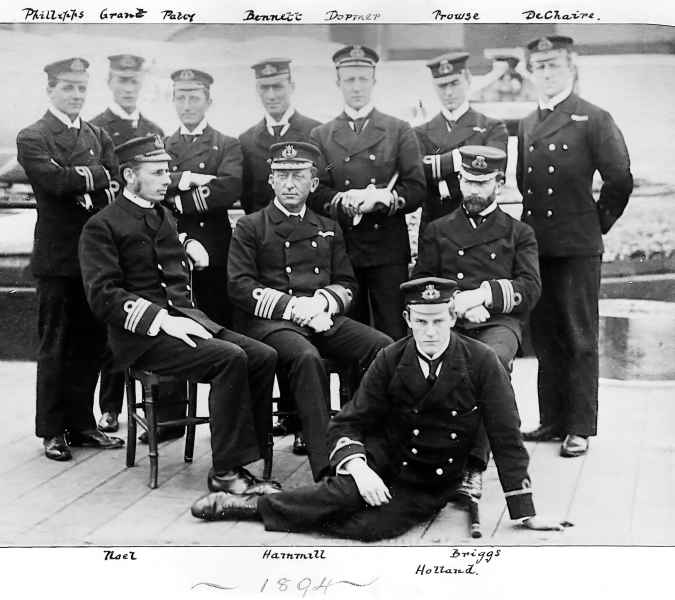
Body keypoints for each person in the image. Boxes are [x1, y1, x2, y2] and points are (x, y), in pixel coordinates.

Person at [190, 277, 564, 541]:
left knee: (371, 529)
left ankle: (277, 505)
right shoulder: (390, 358)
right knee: (344, 494)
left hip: (430, 477)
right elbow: (348, 423)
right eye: (421, 322)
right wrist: (360, 469)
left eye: (438, 321)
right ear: (408, 320)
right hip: (385, 458)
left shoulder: (482, 362)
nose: (430, 332)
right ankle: (247, 506)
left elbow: (506, 436)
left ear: (452, 318)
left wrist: (525, 511)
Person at [78, 135, 280, 495]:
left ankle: (252, 457)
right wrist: (162, 320)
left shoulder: (163, 214)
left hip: (185, 319)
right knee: (230, 359)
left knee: (263, 355)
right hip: (142, 337)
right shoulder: (102, 225)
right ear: (129, 176)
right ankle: (225, 472)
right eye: (157, 173)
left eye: (167, 171)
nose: (167, 180)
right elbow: (103, 296)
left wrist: (188, 244)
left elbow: (159, 245)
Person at [227, 141, 392, 480]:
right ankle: (326, 467)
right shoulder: (251, 226)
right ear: (271, 181)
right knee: (306, 357)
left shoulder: (328, 225)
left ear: (314, 183)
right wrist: (294, 307)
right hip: (270, 322)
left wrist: (321, 303)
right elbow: (240, 286)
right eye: (282, 176)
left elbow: (347, 282)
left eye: (298, 176)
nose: (289, 184)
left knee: (382, 347)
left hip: (321, 315)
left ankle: (368, 443)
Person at [516, 36, 633, 457]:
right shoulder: (527, 121)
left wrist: (595, 223)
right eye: (540, 67)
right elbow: (524, 181)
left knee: (579, 336)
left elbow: (619, 178)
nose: (547, 73)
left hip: (578, 246)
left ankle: (579, 426)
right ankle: (552, 419)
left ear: (570, 69)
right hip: (539, 245)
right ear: (531, 73)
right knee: (546, 336)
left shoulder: (594, 118)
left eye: (554, 65)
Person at [413, 145, 541, 498]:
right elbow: (420, 282)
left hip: (499, 322)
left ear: (499, 183)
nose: (473, 190)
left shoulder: (519, 232)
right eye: (468, 181)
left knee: (491, 361)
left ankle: (474, 465)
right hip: (449, 320)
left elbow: (530, 288)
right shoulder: (438, 229)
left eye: (482, 183)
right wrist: (458, 303)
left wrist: (484, 295)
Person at [16, 57, 123, 461]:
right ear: (51, 90)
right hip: (58, 259)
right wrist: (92, 178)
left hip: (93, 258)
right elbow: (54, 182)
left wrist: (81, 178)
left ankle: (82, 424)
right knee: (56, 344)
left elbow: (115, 180)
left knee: (91, 343)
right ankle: (52, 430)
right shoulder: (33, 136)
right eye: (68, 87)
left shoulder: (97, 134)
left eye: (81, 88)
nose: (76, 95)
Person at [309, 45, 426, 340]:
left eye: (363, 79)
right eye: (349, 80)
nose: (357, 87)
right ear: (338, 83)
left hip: (388, 248)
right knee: (351, 332)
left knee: (393, 329)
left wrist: (387, 199)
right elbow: (316, 191)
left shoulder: (399, 129)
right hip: (343, 248)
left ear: (374, 81)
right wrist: (343, 201)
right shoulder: (321, 135)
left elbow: (416, 187)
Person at [90, 53, 165, 434]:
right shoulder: (96, 129)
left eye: (134, 80)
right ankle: (109, 407)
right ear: (110, 83)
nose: (128, 87)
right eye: (121, 80)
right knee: (113, 324)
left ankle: (157, 412)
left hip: (143, 238)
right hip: (110, 233)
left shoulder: (153, 130)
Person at [164, 68, 243, 328]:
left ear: (208, 102)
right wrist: (186, 178)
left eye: (194, 98)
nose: (187, 106)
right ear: (173, 101)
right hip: (173, 243)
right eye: (181, 98)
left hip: (214, 245)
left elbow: (229, 187)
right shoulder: (162, 146)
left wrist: (178, 202)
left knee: (217, 318)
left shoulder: (227, 144)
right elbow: (153, 186)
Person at [414, 52, 508, 231]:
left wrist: (439, 169)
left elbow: (493, 171)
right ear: (434, 87)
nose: (449, 92)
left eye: (455, 83)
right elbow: (416, 174)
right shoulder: (420, 132)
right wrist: (465, 157)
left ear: (468, 80)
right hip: (435, 227)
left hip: (480, 226)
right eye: (442, 86)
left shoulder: (491, 127)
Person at [239, 58, 321, 215]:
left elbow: (320, 188)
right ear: (257, 90)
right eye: (264, 88)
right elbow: (247, 196)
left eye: (278, 87)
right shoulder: (246, 140)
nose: (271, 96)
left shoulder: (316, 132)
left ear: (292, 87)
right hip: (262, 227)